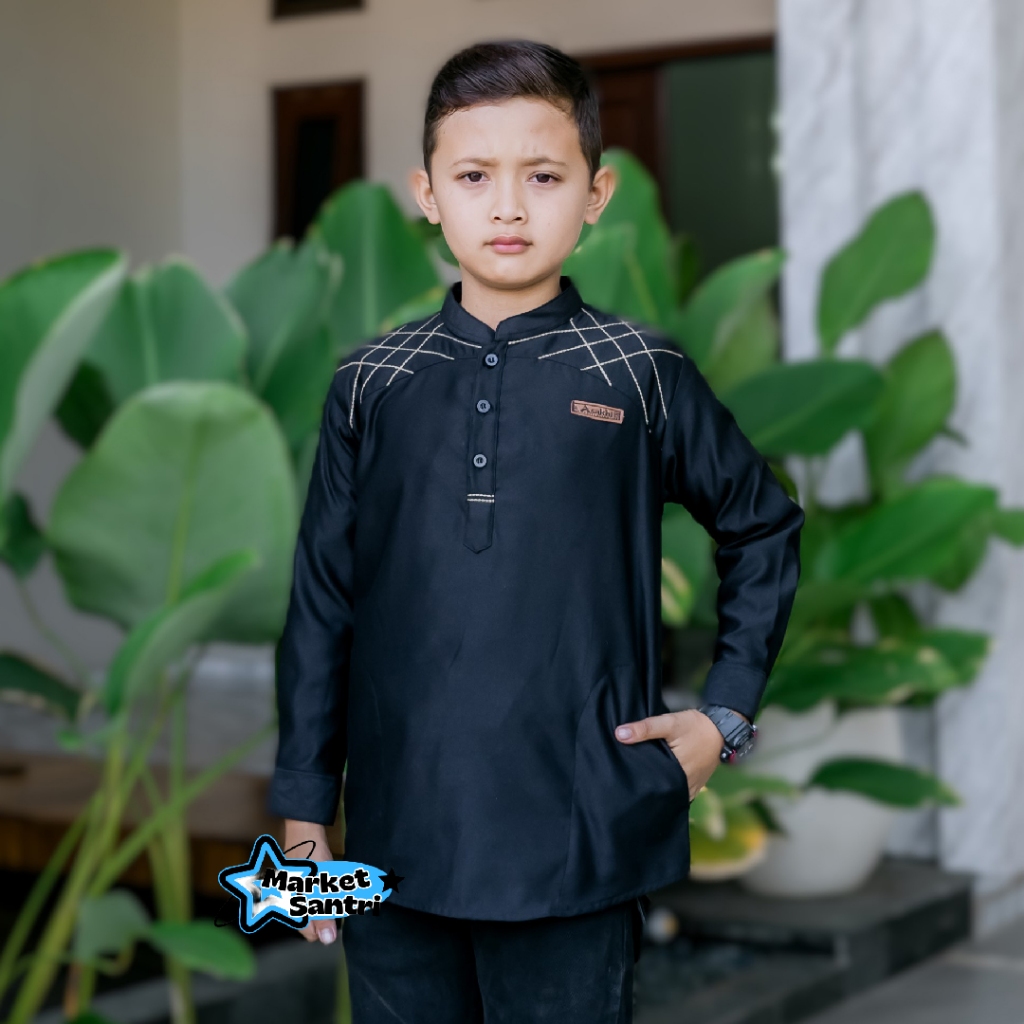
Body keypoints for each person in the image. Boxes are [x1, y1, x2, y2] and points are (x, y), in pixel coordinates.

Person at [267, 38, 805, 1023]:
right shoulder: (371, 384)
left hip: (580, 833)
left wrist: (724, 716)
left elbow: (762, 525)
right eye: (474, 176)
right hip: (394, 837)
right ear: (428, 195)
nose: (507, 207)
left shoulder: (640, 373)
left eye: (543, 176)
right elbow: (323, 600)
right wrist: (305, 807)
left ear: (596, 195)